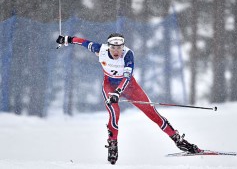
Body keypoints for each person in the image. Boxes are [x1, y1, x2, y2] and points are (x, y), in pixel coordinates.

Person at [56, 33, 201, 164]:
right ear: (109, 47)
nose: (117, 51)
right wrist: (67, 40)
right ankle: (113, 145)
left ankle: (179, 141)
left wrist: (118, 92)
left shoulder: (128, 55)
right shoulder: (100, 49)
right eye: (114, 48)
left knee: (153, 113)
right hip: (109, 86)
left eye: (120, 47)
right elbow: (82, 42)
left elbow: (127, 77)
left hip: (129, 87)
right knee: (114, 114)